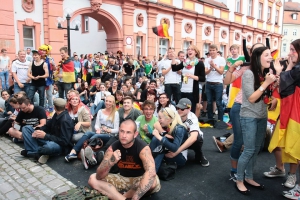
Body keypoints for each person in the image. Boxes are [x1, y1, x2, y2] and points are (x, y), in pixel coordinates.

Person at [235, 46, 279, 194]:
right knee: (248, 150)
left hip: (262, 116)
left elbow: (265, 95)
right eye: (267, 55)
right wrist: (266, 83)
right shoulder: (248, 74)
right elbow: (252, 98)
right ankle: (239, 180)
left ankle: (249, 177)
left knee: (257, 148)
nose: (270, 58)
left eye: (270, 55)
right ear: (258, 57)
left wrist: (272, 98)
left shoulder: (266, 73)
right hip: (249, 116)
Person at [88, 119, 160, 200]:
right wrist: (110, 162)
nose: (124, 135)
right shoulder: (113, 147)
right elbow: (99, 176)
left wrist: (136, 198)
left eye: (128, 132)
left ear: (135, 134)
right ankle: (123, 198)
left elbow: (151, 172)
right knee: (92, 179)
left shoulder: (143, 148)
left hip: (140, 178)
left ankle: (121, 195)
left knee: (152, 182)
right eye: (122, 131)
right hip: (123, 178)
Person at [268, 39, 300, 199]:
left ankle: (292, 175)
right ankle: (280, 168)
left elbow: (284, 86)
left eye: (293, 50)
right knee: (276, 140)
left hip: (296, 114)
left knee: (295, 145)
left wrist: (286, 68)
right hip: (288, 110)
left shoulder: (297, 69)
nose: (289, 53)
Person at [65, 95, 119, 169]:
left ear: (113, 103)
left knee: (95, 136)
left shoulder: (115, 113)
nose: (108, 103)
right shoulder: (100, 111)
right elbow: (96, 125)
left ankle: (86, 154)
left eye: (110, 101)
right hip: (100, 132)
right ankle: (73, 152)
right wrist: (98, 129)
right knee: (88, 133)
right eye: (106, 101)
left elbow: (116, 130)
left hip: (109, 135)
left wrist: (108, 130)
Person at [21, 98, 74, 164]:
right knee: (26, 128)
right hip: (49, 138)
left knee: (49, 147)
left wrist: (45, 136)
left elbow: (64, 141)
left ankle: (32, 151)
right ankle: (35, 153)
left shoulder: (65, 120)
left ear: (54, 107)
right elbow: (47, 126)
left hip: (58, 145)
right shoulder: (56, 114)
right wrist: (38, 131)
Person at [166, 98, 209, 166]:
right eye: (178, 108)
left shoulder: (192, 118)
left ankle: (199, 155)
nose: (179, 110)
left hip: (191, 140)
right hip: (179, 137)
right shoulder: (174, 114)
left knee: (197, 138)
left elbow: (193, 138)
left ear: (189, 109)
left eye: (182, 109)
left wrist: (176, 152)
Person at [150, 107, 188, 172]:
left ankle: (152, 173)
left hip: (179, 156)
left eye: (160, 118)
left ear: (168, 119)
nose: (158, 120)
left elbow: (174, 148)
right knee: (156, 139)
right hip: (168, 151)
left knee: (161, 145)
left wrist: (159, 136)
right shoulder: (168, 124)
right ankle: (149, 162)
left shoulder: (179, 129)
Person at [171, 45, 206, 112]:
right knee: (182, 110)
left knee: (191, 110)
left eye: (192, 49)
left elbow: (203, 78)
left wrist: (192, 76)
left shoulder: (199, 63)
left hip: (193, 91)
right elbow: (174, 68)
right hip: (183, 89)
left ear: (196, 52)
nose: (189, 51)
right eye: (188, 49)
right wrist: (173, 58)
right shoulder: (185, 62)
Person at [205, 44, 226, 121]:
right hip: (209, 83)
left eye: (213, 50)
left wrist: (214, 66)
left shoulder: (221, 59)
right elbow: (205, 72)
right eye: (210, 50)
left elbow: (221, 72)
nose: (212, 52)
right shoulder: (207, 60)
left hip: (218, 84)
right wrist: (210, 68)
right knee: (209, 102)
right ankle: (210, 118)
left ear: (217, 51)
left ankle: (220, 120)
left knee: (218, 102)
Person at [39, 44, 56, 112]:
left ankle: (51, 107)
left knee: (49, 94)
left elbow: (54, 69)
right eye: (42, 50)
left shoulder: (50, 59)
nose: (43, 52)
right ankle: (43, 107)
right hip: (40, 79)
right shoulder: (38, 58)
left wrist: (53, 64)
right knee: (42, 95)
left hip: (49, 79)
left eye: (44, 50)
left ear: (47, 51)